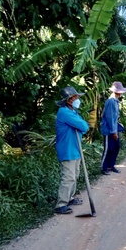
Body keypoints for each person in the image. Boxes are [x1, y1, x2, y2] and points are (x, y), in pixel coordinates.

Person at [54, 86, 89, 215]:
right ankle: (61, 204)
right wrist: (82, 126)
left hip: (75, 148)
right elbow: (84, 126)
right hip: (67, 149)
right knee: (68, 177)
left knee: (74, 175)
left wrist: (82, 126)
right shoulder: (64, 112)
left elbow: (84, 126)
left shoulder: (73, 112)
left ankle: (70, 198)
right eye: (75, 97)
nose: (78, 99)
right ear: (69, 100)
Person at [100, 81, 126, 175]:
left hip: (114, 128)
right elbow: (110, 118)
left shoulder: (115, 101)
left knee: (116, 147)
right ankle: (104, 167)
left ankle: (111, 165)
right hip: (109, 130)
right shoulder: (111, 101)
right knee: (108, 148)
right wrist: (113, 132)